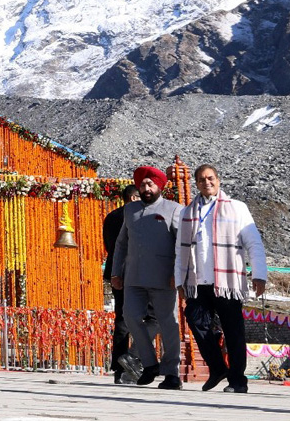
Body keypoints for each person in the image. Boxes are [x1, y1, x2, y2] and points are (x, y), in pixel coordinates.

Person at [175, 164, 267, 394]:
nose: (207, 183)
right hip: (199, 281)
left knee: (233, 330)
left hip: (226, 282)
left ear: (218, 180)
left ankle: (237, 380)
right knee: (194, 318)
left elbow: (253, 242)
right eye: (202, 179)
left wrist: (259, 274)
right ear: (196, 183)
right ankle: (217, 368)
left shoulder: (236, 208)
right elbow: (181, 248)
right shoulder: (188, 212)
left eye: (211, 178)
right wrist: (179, 280)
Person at [110, 166, 183, 390]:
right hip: (133, 276)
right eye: (143, 184)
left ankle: (172, 373)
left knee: (168, 324)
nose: (146, 188)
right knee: (130, 317)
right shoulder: (130, 210)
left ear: (160, 186)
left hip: (164, 277)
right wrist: (116, 272)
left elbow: (182, 244)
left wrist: (177, 273)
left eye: (150, 184)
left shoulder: (174, 209)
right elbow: (122, 243)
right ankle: (150, 364)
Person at [102, 184, 139, 384]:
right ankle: (134, 360)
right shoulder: (136, 217)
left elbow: (108, 247)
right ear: (133, 198)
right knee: (150, 317)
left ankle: (119, 368)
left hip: (117, 274)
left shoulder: (110, 217)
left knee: (122, 321)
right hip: (137, 274)